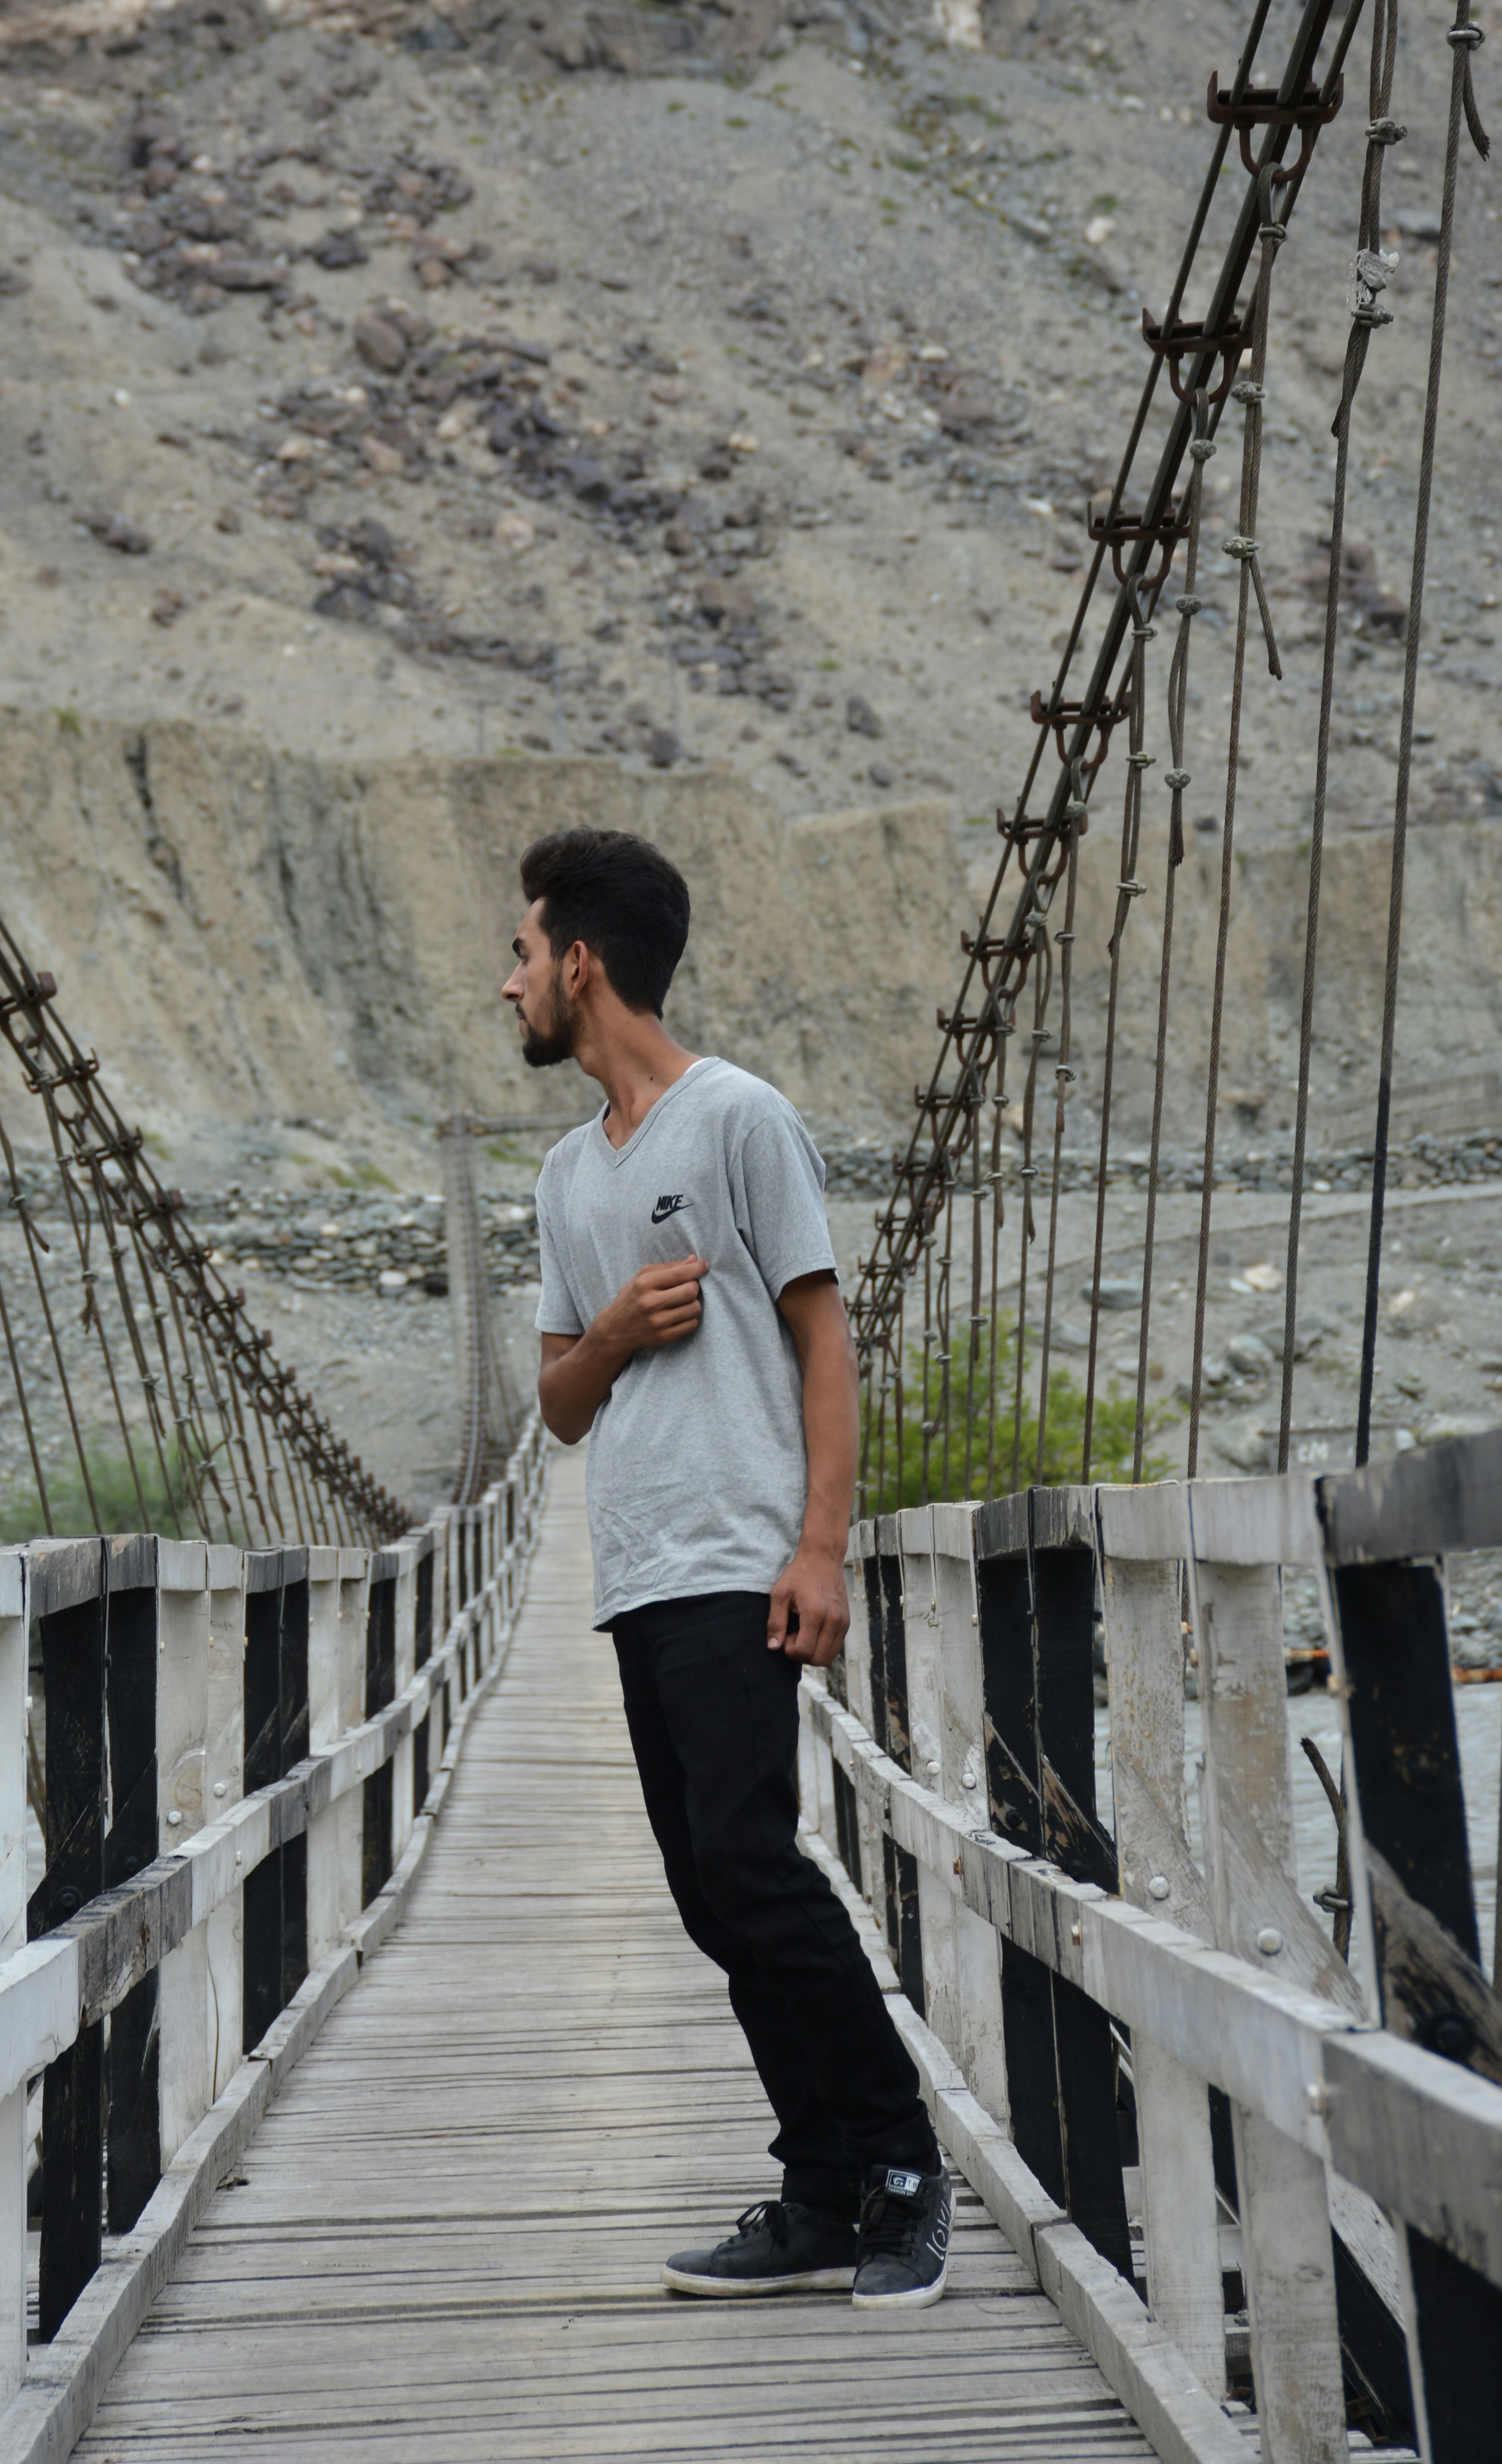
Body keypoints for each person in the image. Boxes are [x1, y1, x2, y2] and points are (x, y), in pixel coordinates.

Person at [503, 824, 953, 2308]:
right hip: (637, 1570)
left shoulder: (743, 1119)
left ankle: (895, 2174)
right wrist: (619, 1333)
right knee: (713, 1893)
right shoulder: (570, 1173)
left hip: (740, 1557)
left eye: (521, 956)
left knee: (755, 1870)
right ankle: (822, 2190)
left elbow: (828, 1337)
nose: (506, 987)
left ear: (581, 961)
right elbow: (561, 1406)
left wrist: (820, 1548)